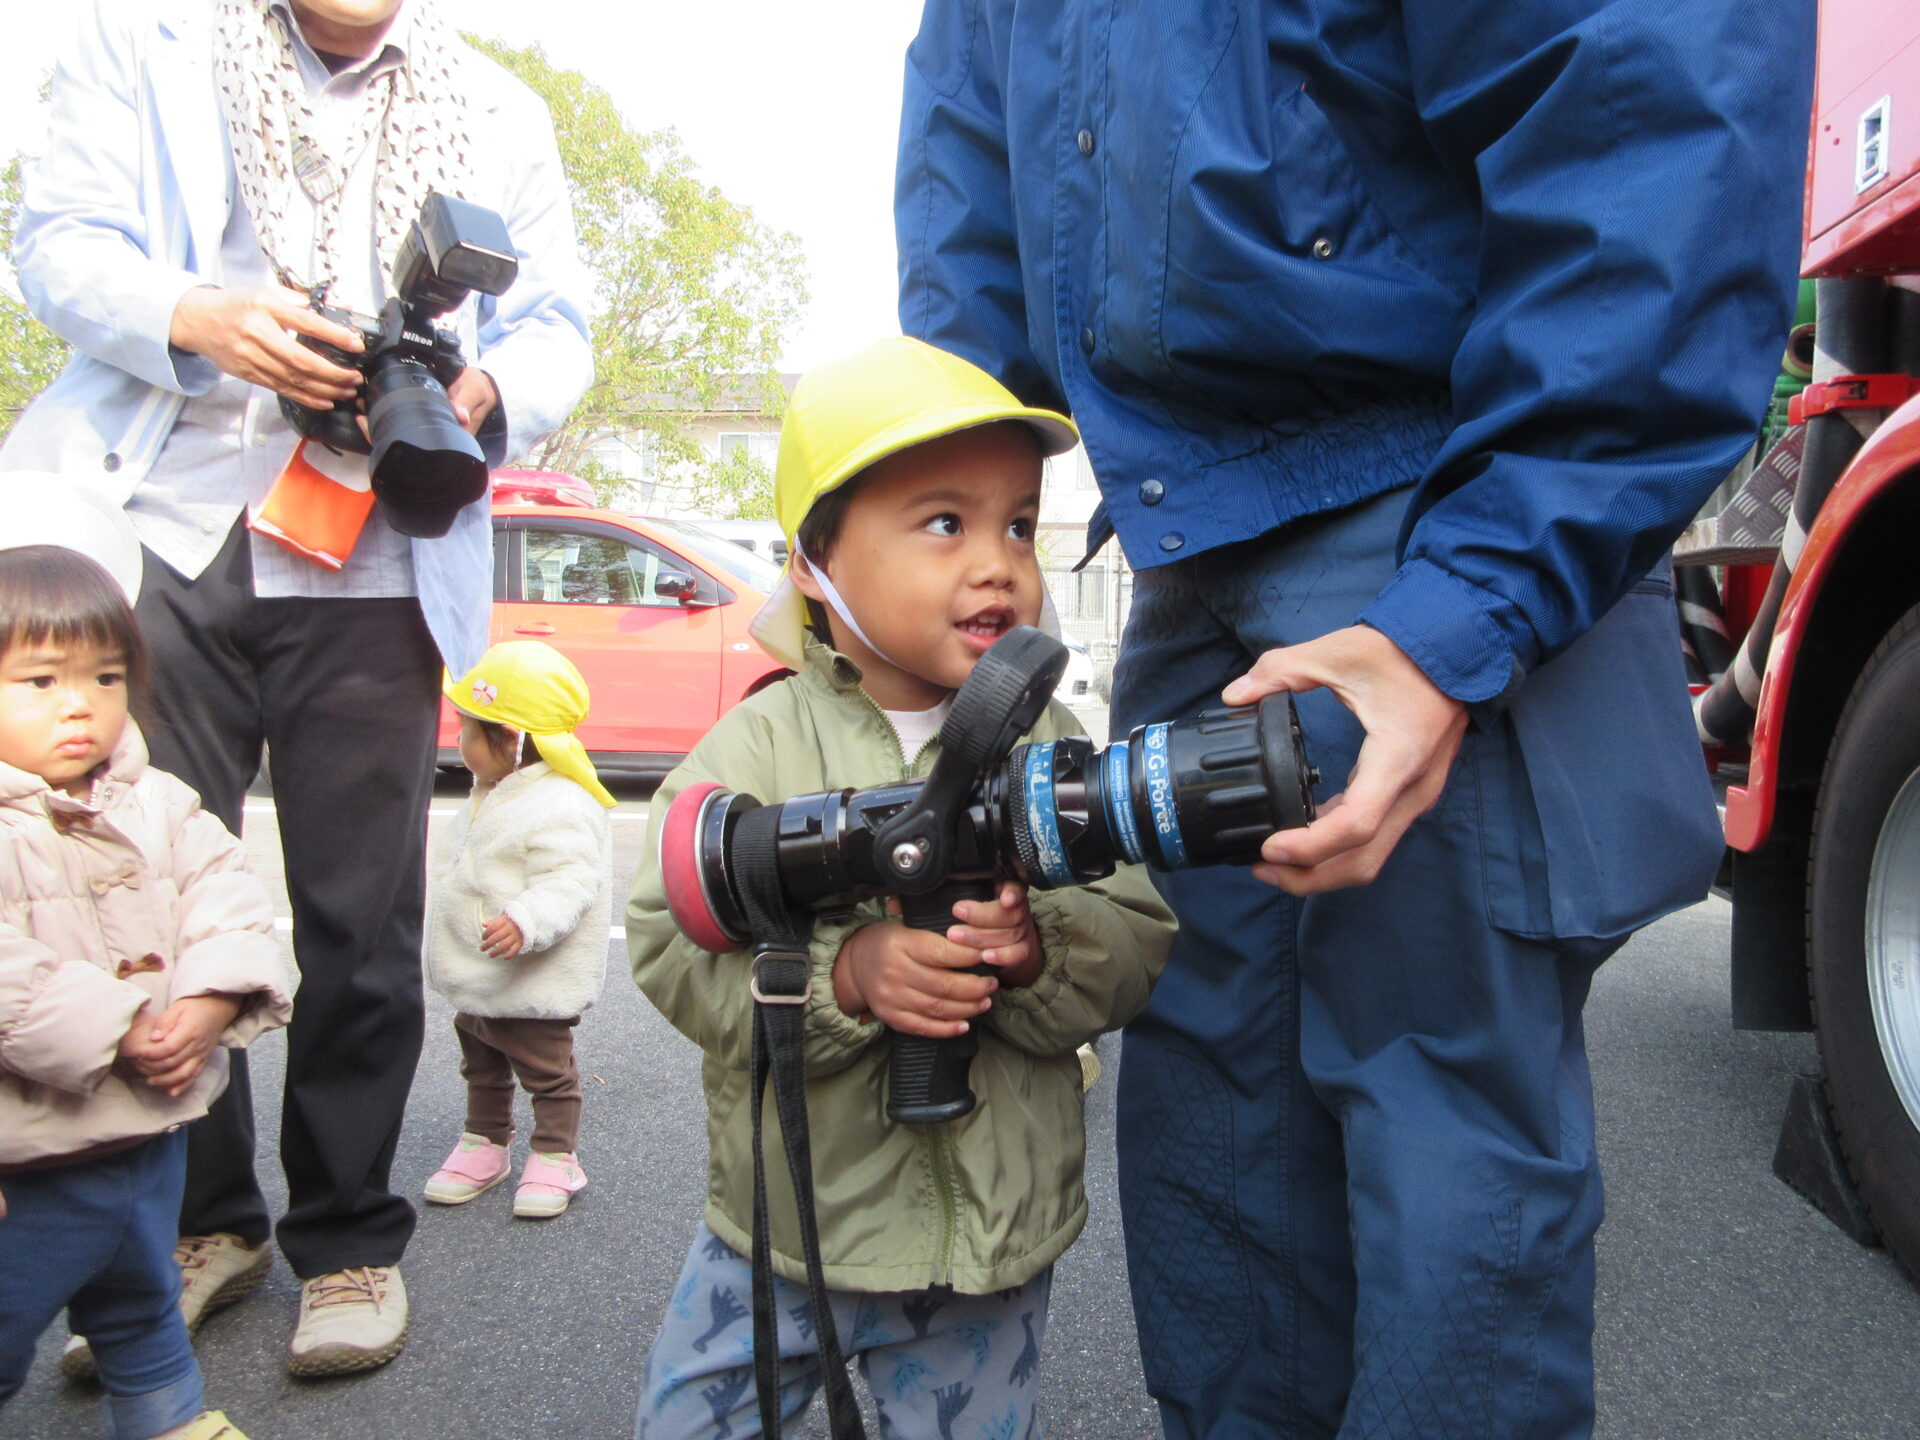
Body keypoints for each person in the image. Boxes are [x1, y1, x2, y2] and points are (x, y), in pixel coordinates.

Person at [897, 4, 1813, 1436]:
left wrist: (1473, 601)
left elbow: (1650, 102)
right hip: (1186, 531)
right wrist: (926, 534)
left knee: (1440, 1145)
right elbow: (968, 155)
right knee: (1212, 1135)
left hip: (1437, 497)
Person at [2, 0, 593, 1376]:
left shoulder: (496, 106)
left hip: (375, 548)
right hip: (160, 532)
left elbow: (556, 320)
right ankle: (199, 1226)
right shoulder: (138, 42)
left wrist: (478, 391)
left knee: (360, 919)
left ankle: (347, 1239)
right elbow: (60, 244)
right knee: (136, 903)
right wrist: (197, 316)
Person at [625, 337, 1176, 1439]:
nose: (999, 565)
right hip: (792, 1232)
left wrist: (1036, 950)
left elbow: (1136, 936)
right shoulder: (758, 746)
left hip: (985, 1256)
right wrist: (844, 977)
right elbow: (668, 940)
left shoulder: (1051, 740)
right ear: (811, 562)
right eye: (945, 523)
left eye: (1018, 525)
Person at [0, 500, 295, 1440]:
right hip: (27, 1161)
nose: (79, 703)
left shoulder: (156, 801)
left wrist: (209, 999)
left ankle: (169, 1421)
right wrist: (118, 1026)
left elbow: (229, 895)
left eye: (106, 676)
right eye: (39, 680)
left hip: (146, 1144)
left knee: (142, 1309)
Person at [421, 640, 613, 1220]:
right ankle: (485, 1140)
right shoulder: (494, 790)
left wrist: (526, 920)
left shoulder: (562, 803)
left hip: (531, 976)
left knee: (547, 1071)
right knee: (480, 1060)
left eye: (467, 729)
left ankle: (556, 1154)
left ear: (511, 738)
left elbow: (571, 879)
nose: (459, 740)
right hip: (481, 969)